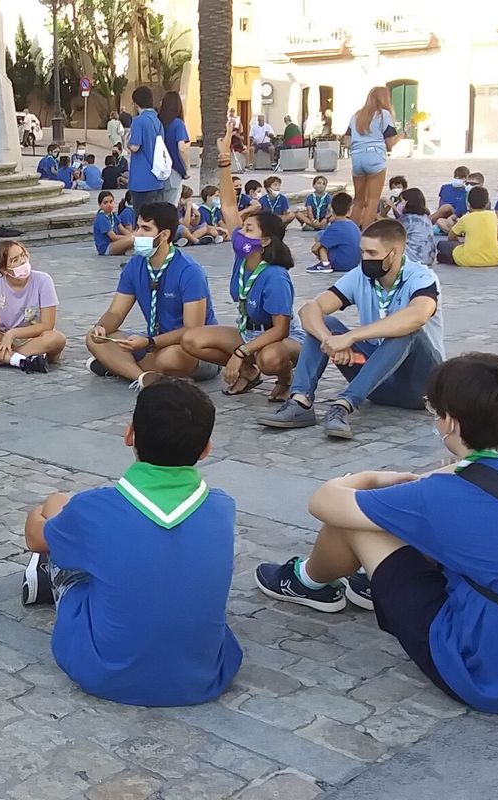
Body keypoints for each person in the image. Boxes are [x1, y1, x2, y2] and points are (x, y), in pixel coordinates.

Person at [254, 353, 498, 714]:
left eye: (435, 411)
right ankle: (367, 584)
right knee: (427, 528)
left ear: (452, 425)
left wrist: (367, 478)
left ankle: (307, 581)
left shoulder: (440, 494)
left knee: (358, 519)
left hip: (490, 678)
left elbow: (325, 502)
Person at [21, 378, 241, 706]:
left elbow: (34, 537)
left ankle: (47, 576)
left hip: (105, 673)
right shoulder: (222, 506)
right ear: (206, 448)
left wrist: (43, 510)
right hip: (201, 676)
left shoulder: (93, 508)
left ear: (129, 434)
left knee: (58, 508)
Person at [259, 219, 444, 440]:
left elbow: (417, 315)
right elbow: (310, 309)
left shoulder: (422, 277)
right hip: (377, 381)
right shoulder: (361, 276)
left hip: (422, 387)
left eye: (372, 253)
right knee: (324, 321)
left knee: (407, 329)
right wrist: (329, 340)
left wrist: (351, 337)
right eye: (362, 252)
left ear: (394, 253)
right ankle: (300, 402)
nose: (365, 258)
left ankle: (343, 405)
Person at [85, 203, 220, 385]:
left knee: (169, 357)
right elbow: (115, 313)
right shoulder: (135, 265)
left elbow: (192, 331)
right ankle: (141, 377)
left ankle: (118, 366)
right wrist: (101, 329)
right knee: (94, 340)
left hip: (194, 348)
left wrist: (149, 343)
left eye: (146, 229)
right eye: (138, 227)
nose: (137, 234)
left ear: (164, 235)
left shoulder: (190, 271)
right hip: (153, 340)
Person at [184, 211, 303, 400]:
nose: (241, 234)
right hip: (248, 331)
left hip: (281, 336)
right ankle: (249, 372)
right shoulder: (243, 259)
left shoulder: (276, 276)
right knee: (191, 340)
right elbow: (229, 206)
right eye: (242, 227)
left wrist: (240, 353)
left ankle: (285, 379)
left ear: (264, 241)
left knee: (269, 359)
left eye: (249, 229)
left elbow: (281, 330)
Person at [0, 240, 65, 372]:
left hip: (34, 338)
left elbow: (47, 325)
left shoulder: (43, 280)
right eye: (15, 260)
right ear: (4, 269)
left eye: (23, 255)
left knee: (56, 338)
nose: (22, 261)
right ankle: (21, 361)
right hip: (3, 338)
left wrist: (13, 334)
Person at [343, 87, 400, 229]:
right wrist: (404, 134)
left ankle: (353, 233)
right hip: (375, 156)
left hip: (357, 157)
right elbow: (390, 143)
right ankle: (366, 235)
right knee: (373, 201)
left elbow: (347, 142)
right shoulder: (384, 115)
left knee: (358, 201)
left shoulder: (356, 115)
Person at [436, 186, 498, 268]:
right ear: (487, 203)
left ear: (468, 204)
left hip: (469, 259)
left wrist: (458, 244)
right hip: (494, 259)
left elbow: (451, 236)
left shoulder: (466, 218)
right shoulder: (493, 216)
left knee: (441, 245)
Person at [125, 87, 168, 207]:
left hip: (141, 180)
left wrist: (126, 140)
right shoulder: (157, 121)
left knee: (141, 219)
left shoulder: (139, 121)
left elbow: (134, 147)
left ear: (135, 103)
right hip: (157, 178)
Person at [308, 192, 361, 274]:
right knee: (324, 235)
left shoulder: (334, 227)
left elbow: (314, 249)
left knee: (321, 238)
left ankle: (325, 264)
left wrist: (320, 255)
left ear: (331, 210)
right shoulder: (353, 225)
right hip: (354, 264)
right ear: (350, 209)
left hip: (340, 264)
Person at [159, 91, 192, 204]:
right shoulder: (178, 124)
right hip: (173, 171)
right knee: (170, 207)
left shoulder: (157, 122)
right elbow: (181, 148)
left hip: (157, 171)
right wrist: (187, 168)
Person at [397, 188, 436, 266]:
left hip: (414, 259)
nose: (399, 204)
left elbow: (390, 229)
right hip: (428, 258)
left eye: (401, 201)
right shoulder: (425, 217)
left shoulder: (408, 219)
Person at [93, 190, 135, 256]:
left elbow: (122, 229)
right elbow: (113, 237)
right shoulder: (102, 218)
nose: (109, 205)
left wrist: (132, 236)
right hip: (106, 248)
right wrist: (130, 238)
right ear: (100, 204)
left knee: (134, 238)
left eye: (111, 202)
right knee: (130, 240)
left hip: (115, 243)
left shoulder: (113, 214)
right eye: (105, 203)